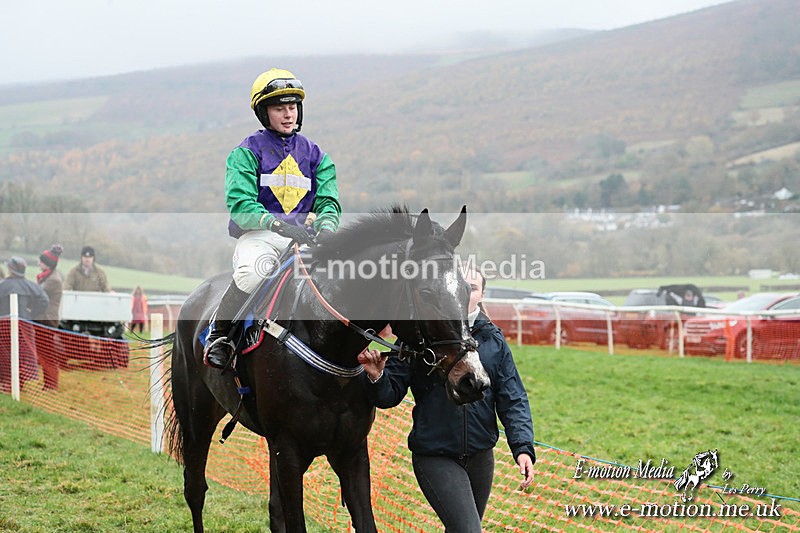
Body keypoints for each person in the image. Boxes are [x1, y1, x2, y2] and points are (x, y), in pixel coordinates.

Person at [358, 268, 535, 532]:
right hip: (435, 455)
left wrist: (522, 447)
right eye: (461, 287)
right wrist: (376, 377)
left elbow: (513, 397)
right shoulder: (420, 337)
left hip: (481, 455)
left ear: (482, 295)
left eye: (473, 288)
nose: (465, 294)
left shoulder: (493, 340)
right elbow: (389, 395)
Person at [204, 67, 341, 369]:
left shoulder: (317, 155)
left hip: (305, 238)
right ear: (264, 113)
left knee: (333, 280)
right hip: (261, 235)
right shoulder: (246, 152)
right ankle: (220, 336)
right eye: (280, 108)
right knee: (252, 274)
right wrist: (276, 224)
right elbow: (240, 205)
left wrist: (327, 228)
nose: (288, 114)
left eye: (292, 106)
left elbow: (329, 202)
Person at [0, 257, 49, 392]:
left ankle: (7, 383)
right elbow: (44, 300)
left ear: (10, 269)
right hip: (24, 325)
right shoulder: (31, 286)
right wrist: (31, 313)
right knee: (23, 355)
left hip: (3, 326)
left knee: (5, 355)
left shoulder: (2, 285)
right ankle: (18, 383)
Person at [35, 244, 64, 390]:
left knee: (48, 353)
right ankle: (49, 384)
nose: (39, 264)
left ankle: (51, 384)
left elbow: (37, 294)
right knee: (45, 352)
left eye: (41, 261)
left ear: (48, 264)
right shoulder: (47, 277)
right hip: (43, 319)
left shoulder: (53, 280)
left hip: (47, 320)